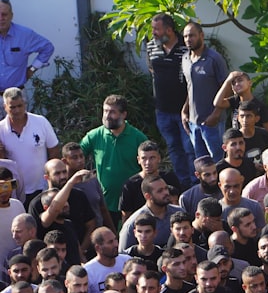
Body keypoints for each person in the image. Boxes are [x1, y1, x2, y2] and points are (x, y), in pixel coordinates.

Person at [80, 95, 147, 220]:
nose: (107, 116)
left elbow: (149, 164)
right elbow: (76, 155)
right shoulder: (94, 135)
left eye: (112, 112)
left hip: (133, 203)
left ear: (124, 114)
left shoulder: (138, 137)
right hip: (105, 204)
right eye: (105, 111)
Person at [146, 13, 195, 187]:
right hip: (163, 111)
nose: (153, 33)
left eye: (156, 29)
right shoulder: (151, 46)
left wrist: (187, 107)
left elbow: (192, 79)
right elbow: (152, 70)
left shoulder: (186, 47)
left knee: (190, 149)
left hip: (185, 111)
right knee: (174, 149)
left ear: (169, 30)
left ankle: (195, 186)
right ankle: (183, 186)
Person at [0, 88, 59, 199]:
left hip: (42, 188)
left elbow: (54, 150)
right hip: (15, 192)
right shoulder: (1, 129)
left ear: (25, 104)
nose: (17, 110)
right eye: (12, 107)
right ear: (5, 107)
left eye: (20, 106)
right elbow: (2, 165)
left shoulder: (41, 122)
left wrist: (51, 180)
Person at [181, 22, 228, 161]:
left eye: (192, 35)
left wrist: (216, 115)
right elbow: (191, 87)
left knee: (217, 160)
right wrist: (184, 111)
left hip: (213, 122)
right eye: (185, 36)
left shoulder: (214, 59)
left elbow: (227, 90)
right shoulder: (185, 59)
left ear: (201, 35)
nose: (188, 39)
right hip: (193, 122)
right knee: (201, 163)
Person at [0, 0, 54, 91]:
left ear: (11, 16)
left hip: (16, 96)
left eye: (4, 14)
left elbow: (48, 47)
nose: (1, 18)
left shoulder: (25, 35)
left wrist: (32, 69)